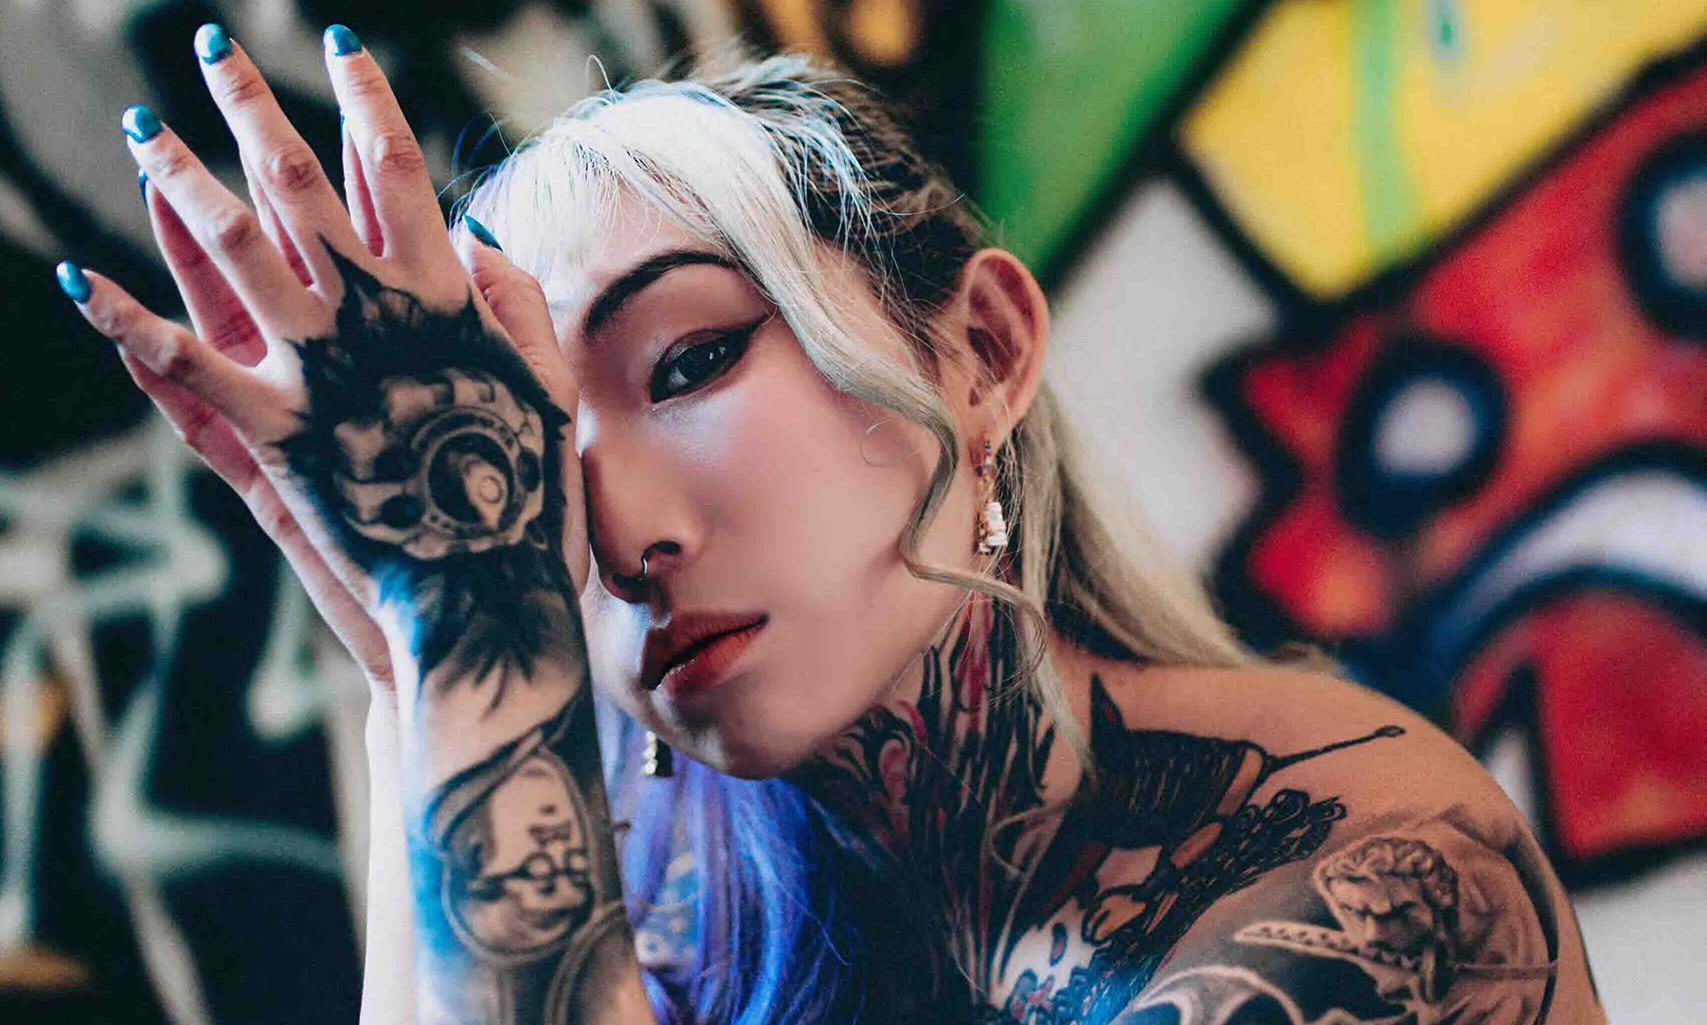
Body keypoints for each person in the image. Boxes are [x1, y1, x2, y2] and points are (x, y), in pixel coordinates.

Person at [56, 20, 1605, 1025]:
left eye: (689, 363)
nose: (610, 532)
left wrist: (473, 648)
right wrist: (413, 671)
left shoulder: (1370, 883)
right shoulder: (677, 888)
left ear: (981, 351)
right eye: (537, 455)